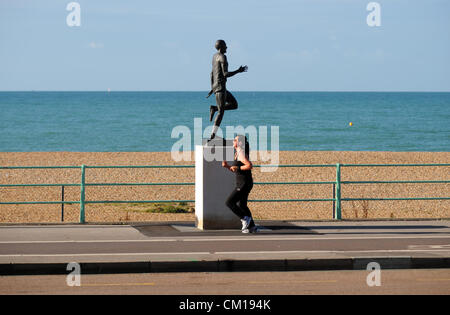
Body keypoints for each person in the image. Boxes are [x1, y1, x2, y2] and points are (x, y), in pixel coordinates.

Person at [207, 40, 248, 141]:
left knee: (234, 104)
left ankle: (214, 108)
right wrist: (238, 71)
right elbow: (225, 74)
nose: (227, 47)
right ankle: (212, 135)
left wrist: (212, 87)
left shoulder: (214, 56)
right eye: (225, 46)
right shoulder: (222, 57)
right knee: (221, 112)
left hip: (218, 86)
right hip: (220, 87)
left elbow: (212, 73)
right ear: (221, 47)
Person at [222, 135, 257, 233]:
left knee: (229, 202)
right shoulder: (237, 153)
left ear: (240, 143)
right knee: (242, 205)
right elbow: (235, 170)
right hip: (243, 182)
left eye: (235, 140)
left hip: (244, 183)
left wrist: (239, 168)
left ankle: (245, 219)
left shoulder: (241, 153)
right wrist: (227, 166)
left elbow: (249, 165)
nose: (233, 141)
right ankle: (252, 227)